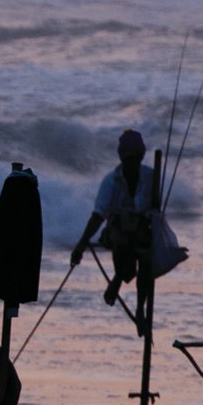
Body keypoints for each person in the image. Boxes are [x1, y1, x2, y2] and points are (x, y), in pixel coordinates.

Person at [72, 129, 155, 308]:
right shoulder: (111, 181)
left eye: (134, 158)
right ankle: (118, 278)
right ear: (121, 158)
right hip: (117, 229)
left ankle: (141, 308)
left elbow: (154, 212)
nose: (130, 163)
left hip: (140, 228)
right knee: (123, 241)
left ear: (140, 157)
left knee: (147, 260)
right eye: (127, 159)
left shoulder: (150, 177)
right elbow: (98, 215)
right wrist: (81, 245)